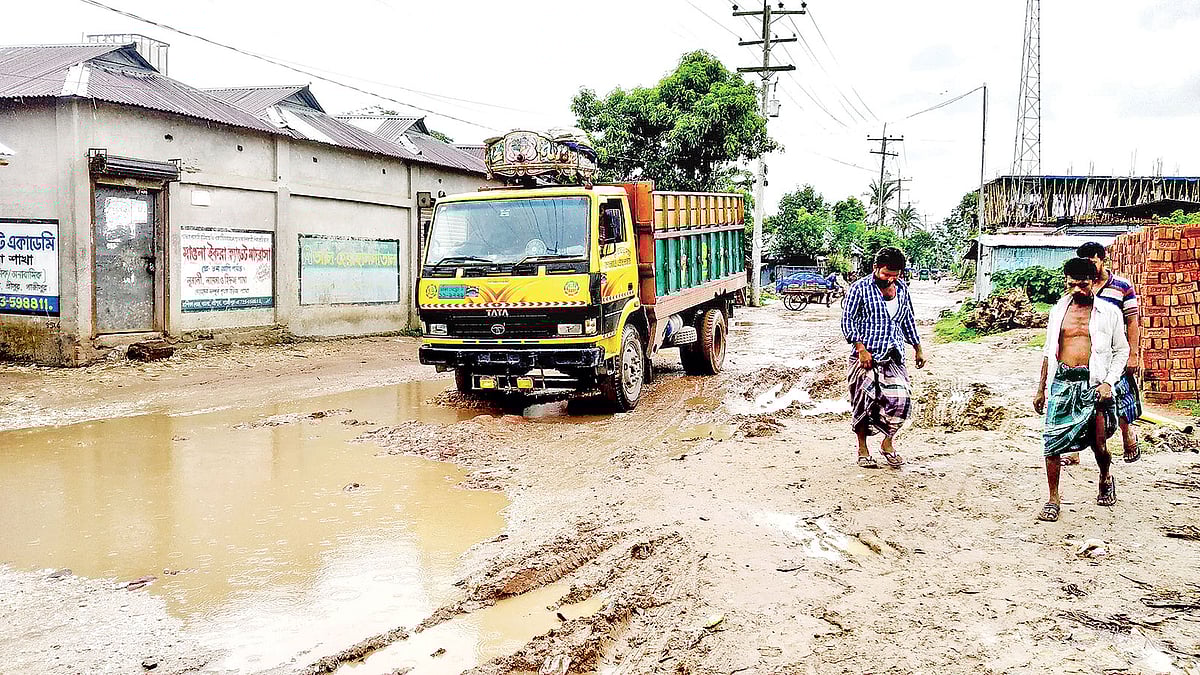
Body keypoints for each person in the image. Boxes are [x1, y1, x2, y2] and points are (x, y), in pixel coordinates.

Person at [1033, 258, 1128, 522]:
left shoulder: (1109, 313)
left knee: (1099, 444)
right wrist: (1041, 389)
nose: (1077, 290)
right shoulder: (1058, 311)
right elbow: (1048, 351)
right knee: (1051, 441)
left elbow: (1122, 350)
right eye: (1072, 284)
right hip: (1062, 382)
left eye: (1083, 285)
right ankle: (1053, 498)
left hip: (1093, 384)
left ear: (1094, 283)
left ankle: (1105, 476)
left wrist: (1109, 382)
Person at [840, 247, 927, 469]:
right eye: (886, 274)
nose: (889, 279)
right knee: (864, 403)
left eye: (894, 275)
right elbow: (847, 322)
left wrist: (917, 348)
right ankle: (862, 449)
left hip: (894, 355)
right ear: (875, 268)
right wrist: (861, 349)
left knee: (902, 401)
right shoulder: (859, 289)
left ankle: (887, 442)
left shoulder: (902, 290)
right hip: (865, 357)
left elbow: (907, 320)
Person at [1061, 241, 1141, 464]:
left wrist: (1133, 354)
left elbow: (1132, 321)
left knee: (1120, 395)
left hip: (1113, 351)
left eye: (1092, 261)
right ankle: (1074, 450)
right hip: (1087, 354)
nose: (1088, 266)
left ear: (1102, 259)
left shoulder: (1122, 286)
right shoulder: (1083, 285)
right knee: (1079, 400)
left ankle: (1128, 435)